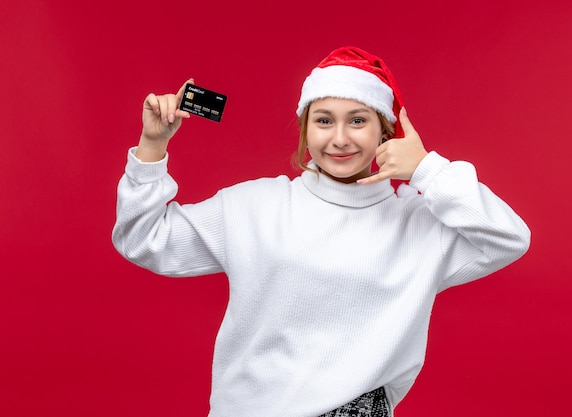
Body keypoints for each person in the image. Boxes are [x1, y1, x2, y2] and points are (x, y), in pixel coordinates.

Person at [112, 46, 531, 417]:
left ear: (386, 131)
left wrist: (427, 168)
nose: (340, 138)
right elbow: (144, 240)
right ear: (306, 130)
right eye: (325, 120)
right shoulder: (254, 206)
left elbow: (510, 237)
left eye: (358, 121)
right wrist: (152, 147)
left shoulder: (419, 223)